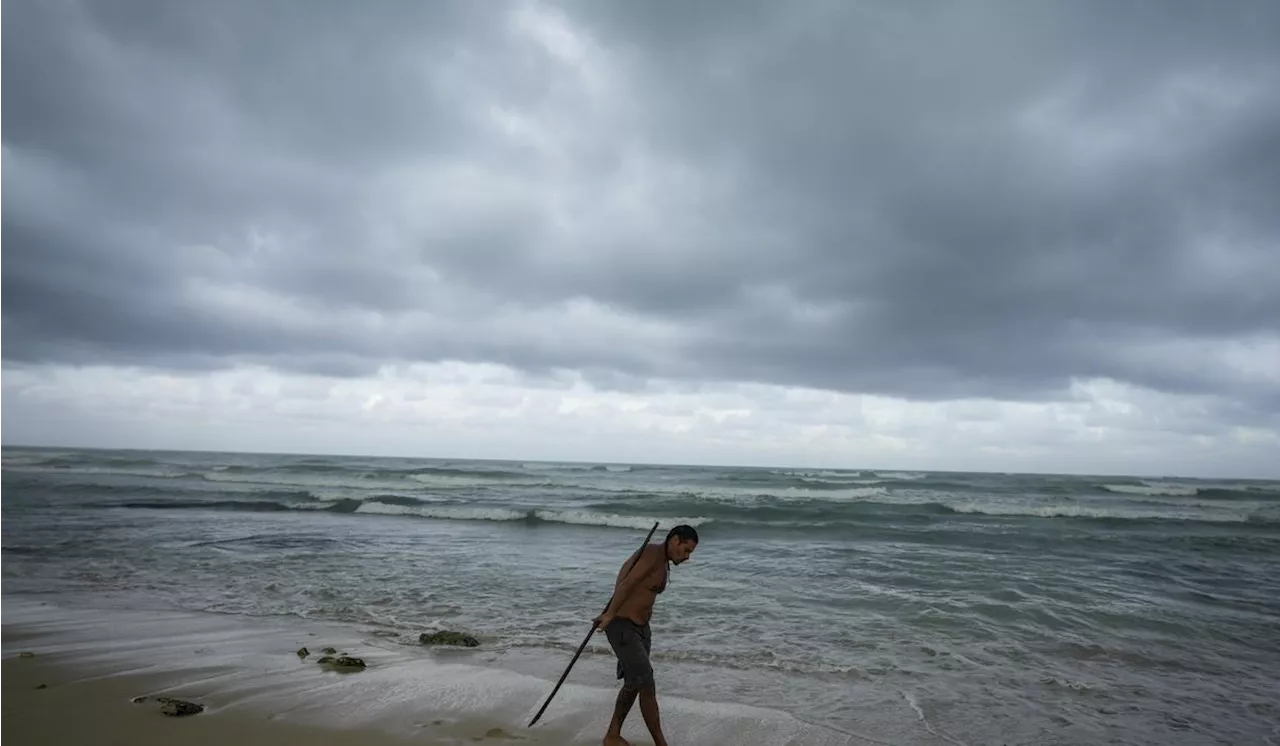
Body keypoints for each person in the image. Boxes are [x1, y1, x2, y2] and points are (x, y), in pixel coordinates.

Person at [593, 524, 699, 746]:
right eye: (686, 550)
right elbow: (627, 583)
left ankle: (612, 735)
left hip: (641, 629)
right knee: (647, 682)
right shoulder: (652, 553)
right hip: (623, 626)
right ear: (675, 540)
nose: (687, 557)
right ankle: (661, 744)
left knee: (634, 683)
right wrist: (610, 615)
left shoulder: (662, 560)